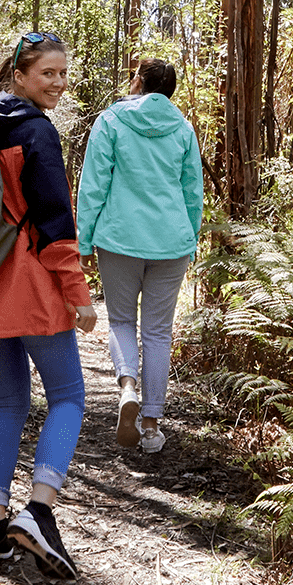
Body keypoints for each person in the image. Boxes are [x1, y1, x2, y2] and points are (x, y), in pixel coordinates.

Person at [0, 32, 96, 585]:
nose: (57, 83)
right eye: (47, 74)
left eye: (63, 73)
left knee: (9, 404)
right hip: (31, 286)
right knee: (68, 397)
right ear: (20, 76)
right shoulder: (36, 132)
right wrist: (78, 296)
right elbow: (55, 222)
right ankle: (37, 511)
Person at [74, 59, 203, 454]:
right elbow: (192, 192)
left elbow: (94, 183)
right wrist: (190, 237)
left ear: (137, 83)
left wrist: (83, 242)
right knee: (158, 332)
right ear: (170, 92)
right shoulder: (182, 129)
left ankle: (127, 385)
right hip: (171, 244)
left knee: (122, 321)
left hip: (119, 239)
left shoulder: (111, 121)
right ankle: (150, 426)